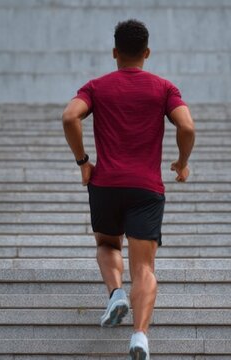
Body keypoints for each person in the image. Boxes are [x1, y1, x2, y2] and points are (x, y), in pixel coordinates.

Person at [60, 18, 196, 360]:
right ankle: (139, 336)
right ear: (147, 52)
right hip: (147, 188)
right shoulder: (165, 88)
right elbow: (187, 126)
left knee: (107, 244)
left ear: (115, 52)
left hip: (105, 183)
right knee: (145, 268)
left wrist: (83, 162)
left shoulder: (96, 86)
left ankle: (116, 294)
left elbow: (69, 117)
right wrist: (181, 161)